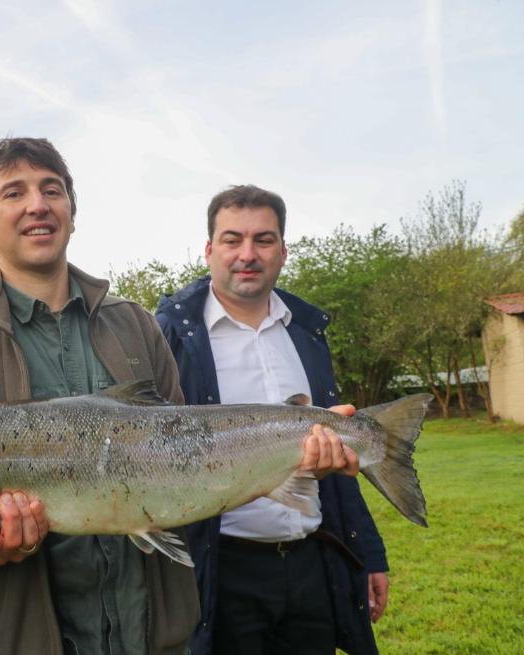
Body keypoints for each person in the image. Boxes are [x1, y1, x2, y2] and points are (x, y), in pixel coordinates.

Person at [0, 137, 201, 654]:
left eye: (52, 190)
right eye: (13, 193)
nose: (37, 205)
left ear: (72, 210)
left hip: (155, 635)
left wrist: (291, 451)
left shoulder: (136, 323)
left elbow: (184, 454)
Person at [155, 184, 389, 655]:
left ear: (282, 251)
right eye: (231, 239)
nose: (247, 254)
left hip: (309, 565)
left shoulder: (306, 334)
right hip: (222, 569)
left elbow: (340, 467)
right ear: (208, 250)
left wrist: (369, 555)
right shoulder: (170, 337)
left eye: (263, 240)